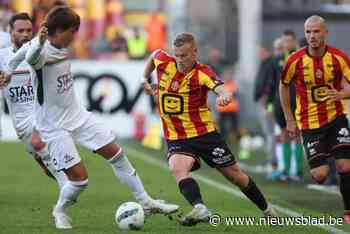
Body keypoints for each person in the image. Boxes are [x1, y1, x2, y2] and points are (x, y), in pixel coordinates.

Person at [1, 6, 178, 229]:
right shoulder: (41, 52)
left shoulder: (54, 45)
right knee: (80, 180)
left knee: (116, 154)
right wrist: (36, 44)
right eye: (73, 31)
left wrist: (9, 70)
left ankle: (146, 201)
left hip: (78, 115)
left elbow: (17, 55)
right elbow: (32, 54)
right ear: (60, 30)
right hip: (54, 127)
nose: (75, 36)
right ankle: (60, 209)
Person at [142, 32, 276, 226]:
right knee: (177, 168)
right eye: (177, 55)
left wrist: (224, 96)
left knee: (236, 177)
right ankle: (200, 208)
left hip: (205, 135)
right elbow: (153, 56)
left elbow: (221, 88)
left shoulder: (203, 72)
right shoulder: (164, 62)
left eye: (184, 55)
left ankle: (267, 210)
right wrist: (143, 79)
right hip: (177, 137)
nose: (179, 60)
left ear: (194, 52)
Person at [279, 15, 350, 223]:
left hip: (336, 118)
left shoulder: (339, 57)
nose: (312, 36)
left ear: (325, 33)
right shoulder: (295, 59)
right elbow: (283, 85)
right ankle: (324, 152)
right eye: (308, 32)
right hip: (309, 123)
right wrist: (289, 119)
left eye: (316, 31)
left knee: (345, 167)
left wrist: (343, 94)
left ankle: (348, 211)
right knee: (320, 175)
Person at [0, 12, 67, 187]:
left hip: (42, 113)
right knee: (48, 166)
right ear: (10, 32)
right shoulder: (2, 57)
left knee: (51, 147)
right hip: (22, 122)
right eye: (20, 30)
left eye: (29, 30)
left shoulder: (40, 52)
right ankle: (64, 181)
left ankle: (67, 187)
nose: (25, 34)